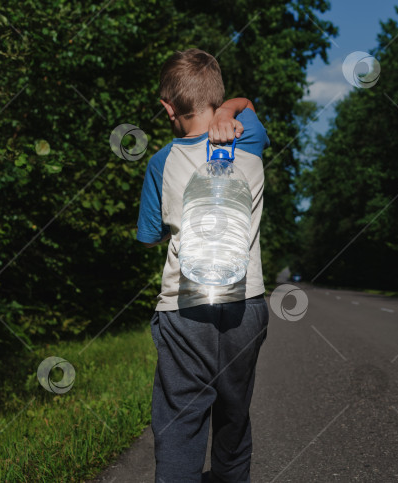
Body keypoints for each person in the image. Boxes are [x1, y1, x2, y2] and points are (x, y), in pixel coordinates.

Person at [136, 48, 271, 483]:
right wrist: (229, 108)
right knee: (233, 420)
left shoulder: (160, 162)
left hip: (183, 310)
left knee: (180, 425)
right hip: (245, 306)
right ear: (216, 97)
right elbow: (247, 104)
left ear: (167, 107)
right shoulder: (245, 136)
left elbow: (150, 235)